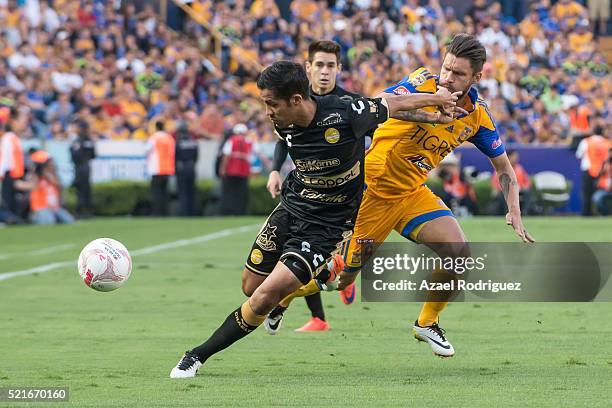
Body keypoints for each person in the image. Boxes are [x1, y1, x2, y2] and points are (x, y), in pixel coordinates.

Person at [170, 60, 462, 378]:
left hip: (326, 226)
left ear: (296, 100)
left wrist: (436, 101)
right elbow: (286, 143)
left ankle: (196, 355)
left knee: (266, 295)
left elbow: (391, 104)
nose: (267, 112)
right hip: (292, 207)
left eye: (271, 104)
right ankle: (323, 277)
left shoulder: (345, 111)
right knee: (251, 287)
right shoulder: (282, 122)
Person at [269, 34, 535, 358]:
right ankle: (282, 295)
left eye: (458, 74)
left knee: (459, 252)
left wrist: (514, 211)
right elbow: (377, 103)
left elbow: (505, 169)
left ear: (476, 78)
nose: (448, 77)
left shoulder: (477, 117)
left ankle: (427, 323)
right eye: (447, 68)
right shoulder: (421, 82)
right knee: (339, 279)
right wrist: (431, 105)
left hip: (411, 194)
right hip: (371, 192)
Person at [266, 40, 362, 333]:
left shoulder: (350, 105)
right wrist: (274, 171)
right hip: (305, 192)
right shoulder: (295, 103)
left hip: (341, 200)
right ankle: (317, 310)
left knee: (310, 255)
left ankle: (332, 275)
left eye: (330, 66)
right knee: (290, 249)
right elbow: (284, 140)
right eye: (319, 65)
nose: (324, 71)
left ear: (339, 69)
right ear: (308, 68)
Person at [26, 151, 74, 225]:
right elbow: (32, 186)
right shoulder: (35, 177)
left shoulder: (54, 176)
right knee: (49, 222)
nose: (52, 164)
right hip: (41, 208)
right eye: (49, 162)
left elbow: (60, 186)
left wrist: (49, 176)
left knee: (69, 220)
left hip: (55, 208)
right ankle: (34, 218)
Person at [219, 123, 252, 216]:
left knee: (229, 193)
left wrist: (222, 169)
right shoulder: (248, 141)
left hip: (231, 171)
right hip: (243, 172)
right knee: (241, 194)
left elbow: (226, 155)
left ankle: (228, 212)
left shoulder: (231, 141)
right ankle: (240, 212)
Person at [576, 126, 610, 216]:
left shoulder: (586, 141)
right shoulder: (607, 142)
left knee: (587, 192)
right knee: (598, 192)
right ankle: (597, 212)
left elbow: (579, 155)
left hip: (588, 169)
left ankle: (586, 212)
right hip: (603, 171)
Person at [146, 121, 175, 216]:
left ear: (156, 127)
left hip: (156, 168)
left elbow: (146, 150)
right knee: (165, 192)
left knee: (156, 193)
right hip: (167, 168)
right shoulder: (169, 138)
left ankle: (157, 212)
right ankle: (165, 212)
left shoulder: (154, 138)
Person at [491, 150, 532, 215]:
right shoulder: (501, 168)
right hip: (506, 190)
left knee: (528, 193)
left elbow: (526, 181)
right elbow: (496, 182)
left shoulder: (519, 168)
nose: (516, 158)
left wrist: (525, 186)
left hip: (519, 190)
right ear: (509, 157)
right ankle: (507, 213)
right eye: (514, 156)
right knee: (502, 194)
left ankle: (525, 212)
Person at [0, 118, 25, 222]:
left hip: (14, 174)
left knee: (12, 198)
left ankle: (12, 218)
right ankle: (8, 219)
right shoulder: (8, 138)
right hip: (8, 174)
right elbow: (5, 157)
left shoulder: (13, 138)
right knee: (7, 198)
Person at [70, 121, 96, 218]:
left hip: (79, 167)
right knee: (86, 190)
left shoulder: (77, 140)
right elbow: (93, 155)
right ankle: (88, 211)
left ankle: (80, 211)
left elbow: (74, 154)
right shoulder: (89, 140)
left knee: (80, 190)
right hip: (87, 166)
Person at [175, 121, 199, 216]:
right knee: (192, 191)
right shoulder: (193, 142)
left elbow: (175, 157)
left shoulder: (178, 142)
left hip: (182, 167)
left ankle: (184, 212)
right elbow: (196, 157)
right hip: (191, 167)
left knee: (183, 191)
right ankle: (192, 212)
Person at [592, 147, 611, 215]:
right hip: (603, 189)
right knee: (596, 198)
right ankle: (607, 213)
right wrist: (605, 168)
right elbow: (599, 174)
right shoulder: (604, 163)